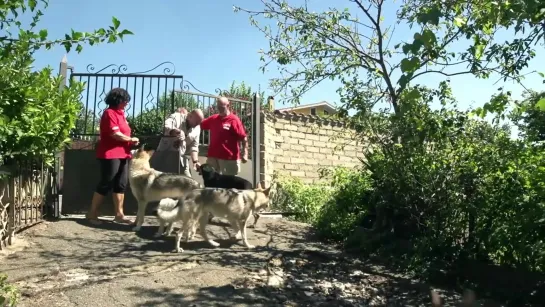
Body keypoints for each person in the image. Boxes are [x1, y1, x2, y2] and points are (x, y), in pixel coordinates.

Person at [86, 88, 139, 225]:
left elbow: (122, 134)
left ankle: (119, 215)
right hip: (110, 154)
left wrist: (130, 141)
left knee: (121, 184)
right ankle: (92, 214)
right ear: (117, 100)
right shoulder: (109, 113)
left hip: (123, 154)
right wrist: (130, 138)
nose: (127, 103)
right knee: (106, 183)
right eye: (125, 100)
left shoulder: (121, 114)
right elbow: (114, 134)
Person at [200, 96, 248, 175]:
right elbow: (199, 124)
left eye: (221, 107)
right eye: (218, 107)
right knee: (211, 182)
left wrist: (245, 153)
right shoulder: (213, 119)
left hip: (229, 158)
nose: (219, 109)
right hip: (213, 157)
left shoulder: (234, 120)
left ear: (228, 105)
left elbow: (243, 137)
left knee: (229, 184)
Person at [151, 108, 204, 177]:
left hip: (181, 159)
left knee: (187, 181)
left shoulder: (197, 128)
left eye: (199, 123)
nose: (198, 124)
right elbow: (166, 127)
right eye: (196, 122)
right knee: (161, 182)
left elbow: (194, 146)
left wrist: (195, 161)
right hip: (165, 155)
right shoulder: (176, 117)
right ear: (190, 116)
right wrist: (177, 132)